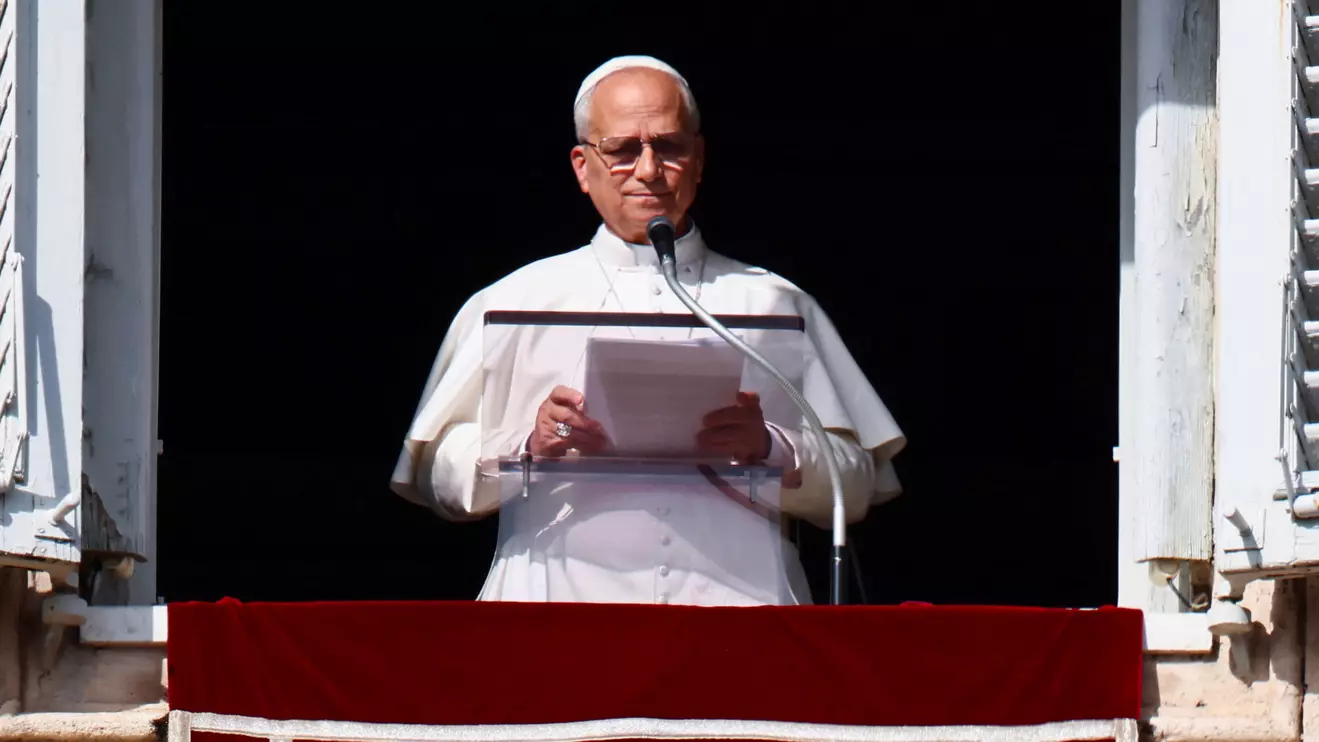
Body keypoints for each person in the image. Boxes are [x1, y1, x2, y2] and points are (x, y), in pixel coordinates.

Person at [390, 55, 905, 606]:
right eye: (621, 150)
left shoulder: (774, 302)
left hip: (740, 617)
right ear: (582, 166)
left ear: (699, 160)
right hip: (556, 612)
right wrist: (527, 446)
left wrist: (772, 447)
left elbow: (857, 485)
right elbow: (436, 477)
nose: (649, 169)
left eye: (669, 146)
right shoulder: (514, 300)